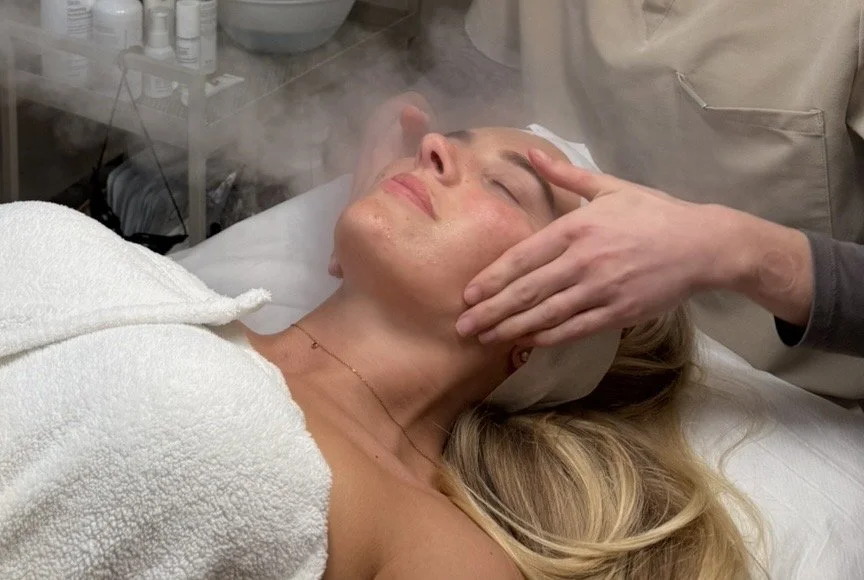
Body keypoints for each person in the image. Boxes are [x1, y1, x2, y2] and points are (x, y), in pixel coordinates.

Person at [0, 100, 757, 579]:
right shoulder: (140, 282)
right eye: (449, 142)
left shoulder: (435, 550)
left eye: (505, 186)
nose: (432, 149)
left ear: (546, 325)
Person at [456, 1, 864, 399]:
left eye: (506, 188)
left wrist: (737, 253)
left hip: (792, 389)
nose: (434, 150)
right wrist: (447, 124)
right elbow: (488, 70)